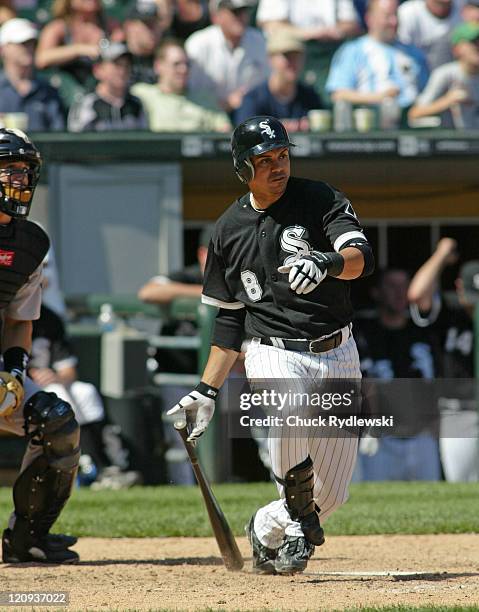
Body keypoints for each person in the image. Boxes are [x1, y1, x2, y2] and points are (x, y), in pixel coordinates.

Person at [167, 115, 374, 575]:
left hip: (337, 348)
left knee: (332, 494)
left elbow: (362, 258)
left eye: (282, 155)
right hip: (272, 347)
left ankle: (268, 523)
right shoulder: (227, 230)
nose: (278, 166)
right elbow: (229, 321)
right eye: (265, 160)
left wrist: (329, 261)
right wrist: (206, 390)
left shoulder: (320, 198)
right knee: (291, 405)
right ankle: (300, 518)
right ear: (244, 168)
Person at [0, 128, 79, 563]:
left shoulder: (30, 243)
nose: (22, 182)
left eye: (26, 172)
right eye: (11, 171)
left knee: (58, 422)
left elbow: (18, 321)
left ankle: (26, 538)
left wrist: (13, 370)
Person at [29, 303, 142, 489]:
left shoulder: (49, 317)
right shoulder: (7, 310)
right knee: (59, 396)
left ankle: (107, 464)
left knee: (85, 392)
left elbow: (68, 370)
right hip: (15, 387)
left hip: (48, 384)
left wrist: (54, 376)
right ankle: (89, 467)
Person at [354, 268, 442, 481]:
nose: (399, 292)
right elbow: (363, 383)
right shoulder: (364, 334)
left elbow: (437, 382)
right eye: (391, 286)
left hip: (423, 438)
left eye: (404, 286)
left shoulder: (425, 331)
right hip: (382, 439)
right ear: (376, 292)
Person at [408, 238, 479, 482]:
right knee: (460, 484)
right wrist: (442, 253)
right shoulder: (449, 312)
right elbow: (417, 294)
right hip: (458, 411)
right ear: (459, 287)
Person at [326, 0, 429, 110]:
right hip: (373, 122)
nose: (393, 22)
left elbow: (427, 92)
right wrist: (379, 98)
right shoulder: (352, 51)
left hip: (414, 121)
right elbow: (338, 94)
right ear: (369, 19)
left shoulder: (413, 53)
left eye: (395, 15)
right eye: (387, 16)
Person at [185, 0, 269, 114]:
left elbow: (266, 86)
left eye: (244, 11)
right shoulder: (198, 44)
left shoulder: (260, 41)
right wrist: (226, 103)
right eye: (235, 12)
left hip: (249, 113)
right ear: (216, 16)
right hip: (206, 115)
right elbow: (190, 93)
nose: (241, 17)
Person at [131, 38, 231, 132]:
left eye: (187, 64)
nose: (184, 69)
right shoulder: (142, 94)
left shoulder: (205, 98)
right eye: (177, 64)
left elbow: (225, 135)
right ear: (158, 66)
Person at [234, 27, 323, 130]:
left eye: (297, 56)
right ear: (270, 59)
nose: (293, 62)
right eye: (287, 56)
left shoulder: (310, 97)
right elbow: (245, 136)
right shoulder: (254, 99)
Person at [35, 0, 123, 90]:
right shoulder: (59, 27)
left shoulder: (111, 27)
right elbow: (42, 58)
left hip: (103, 90)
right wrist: (78, 49)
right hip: (68, 91)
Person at [408, 22, 479, 129]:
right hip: (450, 142)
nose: (477, 47)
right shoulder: (445, 74)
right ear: (457, 49)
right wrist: (448, 100)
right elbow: (414, 113)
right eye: (473, 42)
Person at [0, 18, 65, 131]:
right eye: (22, 43)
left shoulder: (48, 91)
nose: (28, 48)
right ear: (3, 49)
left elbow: (58, 134)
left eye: (32, 43)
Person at [67, 41, 148, 132]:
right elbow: (76, 142)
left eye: (127, 65)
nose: (122, 71)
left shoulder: (136, 104)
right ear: (98, 70)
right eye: (117, 65)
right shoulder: (86, 104)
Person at [397, 0, 464, 71]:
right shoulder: (408, 12)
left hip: (453, 76)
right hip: (417, 74)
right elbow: (401, 55)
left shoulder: (464, 9)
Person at [255, 0, 361, 42]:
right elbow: (271, 25)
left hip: (329, 49)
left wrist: (336, 31)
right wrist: (312, 34)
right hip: (291, 49)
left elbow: (352, 24)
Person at [124, 0, 169, 86]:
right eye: (147, 24)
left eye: (156, 24)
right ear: (129, 26)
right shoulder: (118, 59)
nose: (153, 30)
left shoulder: (166, 60)